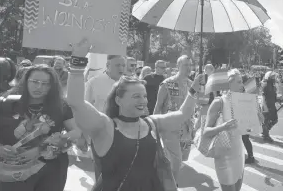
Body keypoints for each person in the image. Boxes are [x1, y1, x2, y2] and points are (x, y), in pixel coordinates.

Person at [66, 38, 203, 190]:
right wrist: (78, 60)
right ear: (118, 100)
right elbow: (76, 102)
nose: (143, 101)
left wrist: (193, 90)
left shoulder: (152, 123)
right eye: (136, 96)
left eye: (144, 96)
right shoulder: (106, 126)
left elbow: (183, 114)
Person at [0, 65, 82, 191]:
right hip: (11, 171)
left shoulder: (61, 106)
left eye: (45, 84)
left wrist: (42, 148)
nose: (39, 87)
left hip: (49, 170)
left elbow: (76, 132)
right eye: (35, 82)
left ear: (52, 86)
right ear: (26, 80)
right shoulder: (6, 102)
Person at [84, 54, 126, 180]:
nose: (121, 68)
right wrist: (84, 134)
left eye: (123, 65)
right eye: (117, 65)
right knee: (102, 171)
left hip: (125, 133)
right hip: (100, 133)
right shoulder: (94, 82)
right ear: (107, 66)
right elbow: (85, 109)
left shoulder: (130, 83)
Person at [153, 55, 194, 181]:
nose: (189, 68)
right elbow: (158, 106)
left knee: (179, 160)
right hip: (169, 128)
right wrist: (154, 128)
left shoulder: (191, 85)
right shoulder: (167, 83)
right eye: (185, 65)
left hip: (186, 128)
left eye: (190, 65)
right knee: (176, 161)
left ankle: (165, 182)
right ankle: (170, 186)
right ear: (178, 66)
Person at [204, 69, 245, 191]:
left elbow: (247, 129)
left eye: (242, 81)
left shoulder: (242, 101)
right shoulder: (219, 102)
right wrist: (223, 127)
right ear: (229, 83)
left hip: (239, 153)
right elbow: (206, 132)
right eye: (239, 82)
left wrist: (257, 118)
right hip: (224, 156)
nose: (242, 85)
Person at [261, 71, 278, 143]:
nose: (274, 78)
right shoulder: (265, 85)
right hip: (267, 106)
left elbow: (274, 97)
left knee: (275, 120)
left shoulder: (273, 86)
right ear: (269, 77)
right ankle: (266, 135)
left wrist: (280, 99)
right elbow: (263, 97)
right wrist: (265, 108)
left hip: (272, 106)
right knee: (266, 121)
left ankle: (265, 130)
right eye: (273, 77)